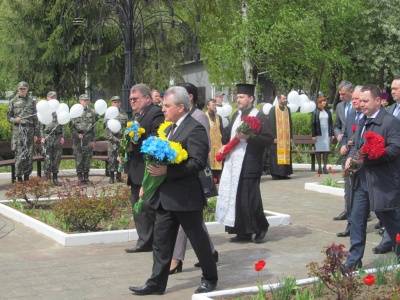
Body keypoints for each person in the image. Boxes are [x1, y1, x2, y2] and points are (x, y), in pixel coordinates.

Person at [129, 86, 218, 295]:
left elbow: (197, 162)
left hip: (186, 197)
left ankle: (209, 278)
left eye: (167, 106)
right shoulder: (167, 129)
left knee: (198, 241)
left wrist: (167, 172)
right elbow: (158, 162)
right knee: (160, 242)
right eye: (162, 105)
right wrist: (147, 184)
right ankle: (156, 283)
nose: (163, 109)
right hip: (165, 198)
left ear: (180, 107)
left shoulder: (195, 128)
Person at [344, 84, 400, 269]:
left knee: (390, 221)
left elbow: (394, 149)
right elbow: (356, 145)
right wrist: (352, 157)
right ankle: (353, 261)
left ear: (378, 101)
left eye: (365, 101)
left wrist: (367, 159)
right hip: (362, 182)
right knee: (357, 220)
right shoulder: (363, 121)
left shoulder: (390, 122)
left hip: (381, 182)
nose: (362, 104)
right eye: (360, 101)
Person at [168, 82, 217, 274]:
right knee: (195, 223)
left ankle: (176, 258)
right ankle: (210, 251)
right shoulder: (174, 122)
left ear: (188, 98)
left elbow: (202, 149)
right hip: (177, 177)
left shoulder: (198, 118)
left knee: (187, 221)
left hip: (192, 175)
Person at [216, 83, 273, 243]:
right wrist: (224, 147)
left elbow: (268, 139)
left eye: (241, 97)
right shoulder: (236, 115)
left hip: (250, 163)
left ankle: (261, 227)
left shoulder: (260, 116)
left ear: (251, 98)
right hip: (233, 163)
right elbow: (230, 137)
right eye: (237, 97)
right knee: (237, 198)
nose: (238, 99)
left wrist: (250, 138)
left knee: (251, 198)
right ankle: (243, 231)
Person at [125, 84, 164, 253]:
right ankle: (144, 239)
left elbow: (156, 137)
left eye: (136, 99)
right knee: (138, 206)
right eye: (131, 100)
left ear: (147, 98)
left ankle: (153, 240)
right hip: (135, 168)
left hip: (147, 168)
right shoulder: (137, 116)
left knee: (148, 205)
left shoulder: (155, 113)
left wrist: (136, 143)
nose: (132, 102)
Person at [336, 86, 363, 238]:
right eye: (352, 99)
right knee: (350, 191)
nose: (353, 101)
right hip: (349, 159)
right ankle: (351, 225)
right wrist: (344, 144)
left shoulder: (366, 116)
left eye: (356, 99)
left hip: (362, 161)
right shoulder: (352, 114)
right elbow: (346, 133)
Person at [6, 81, 39, 182]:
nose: (22, 90)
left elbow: (35, 119)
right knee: (19, 154)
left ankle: (27, 177)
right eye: (21, 89)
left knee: (29, 154)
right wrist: (15, 120)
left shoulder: (32, 102)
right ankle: (19, 177)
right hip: (18, 131)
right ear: (18, 89)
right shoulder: (13, 101)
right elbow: (8, 117)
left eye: (24, 88)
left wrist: (36, 134)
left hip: (30, 130)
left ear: (27, 89)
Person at [333, 80, 354, 220]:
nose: (341, 97)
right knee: (347, 180)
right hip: (344, 147)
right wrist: (338, 134)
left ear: (351, 92)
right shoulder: (340, 106)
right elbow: (336, 125)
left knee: (357, 182)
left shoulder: (359, 106)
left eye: (343, 94)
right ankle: (347, 209)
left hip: (356, 147)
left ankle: (361, 210)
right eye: (340, 94)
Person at [69, 94, 96, 184]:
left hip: (88, 138)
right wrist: (77, 135)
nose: (85, 102)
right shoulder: (74, 112)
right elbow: (71, 127)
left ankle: (86, 177)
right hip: (78, 139)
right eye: (83, 100)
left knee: (87, 158)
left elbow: (94, 127)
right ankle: (80, 177)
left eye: (87, 100)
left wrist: (93, 140)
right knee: (79, 158)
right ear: (80, 101)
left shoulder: (90, 113)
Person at [40, 91, 65, 186]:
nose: (53, 98)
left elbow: (62, 124)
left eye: (54, 97)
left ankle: (55, 178)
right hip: (48, 137)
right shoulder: (44, 110)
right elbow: (41, 126)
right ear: (47, 98)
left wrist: (63, 136)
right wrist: (42, 137)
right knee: (47, 158)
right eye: (51, 97)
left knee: (56, 158)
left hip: (57, 137)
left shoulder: (59, 110)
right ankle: (47, 179)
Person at [268, 94, 293, 180]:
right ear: (279, 100)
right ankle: (276, 174)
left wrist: (291, 136)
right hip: (277, 138)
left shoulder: (287, 109)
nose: (285, 100)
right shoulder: (273, 110)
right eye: (284, 98)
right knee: (276, 156)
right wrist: (273, 137)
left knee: (286, 155)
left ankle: (285, 173)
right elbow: (270, 124)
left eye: (286, 98)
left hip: (285, 137)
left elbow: (290, 123)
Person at [104, 96, 128, 184]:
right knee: (112, 158)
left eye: (118, 102)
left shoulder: (123, 113)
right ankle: (111, 177)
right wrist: (113, 138)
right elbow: (106, 129)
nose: (116, 104)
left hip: (121, 140)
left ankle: (119, 176)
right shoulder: (108, 114)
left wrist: (125, 138)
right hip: (112, 140)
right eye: (115, 102)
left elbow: (127, 126)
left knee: (120, 158)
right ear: (111, 103)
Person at [205, 98, 227, 182]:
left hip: (218, 144)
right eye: (213, 105)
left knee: (219, 161)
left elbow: (222, 130)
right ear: (207, 106)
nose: (215, 107)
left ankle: (217, 178)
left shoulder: (219, 117)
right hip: (209, 144)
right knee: (209, 161)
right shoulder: (204, 116)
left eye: (215, 105)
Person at [311, 96, 335, 174]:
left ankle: (325, 166)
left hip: (326, 133)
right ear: (319, 103)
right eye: (323, 101)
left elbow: (331, 124)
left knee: (326, 150)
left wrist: (332, 134)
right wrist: (313, 135)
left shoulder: (328, 112)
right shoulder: (315, 112)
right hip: (319, 133)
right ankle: (319, 167)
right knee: (318, 150)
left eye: (325, 101)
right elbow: (313, 124)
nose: (325, 102)